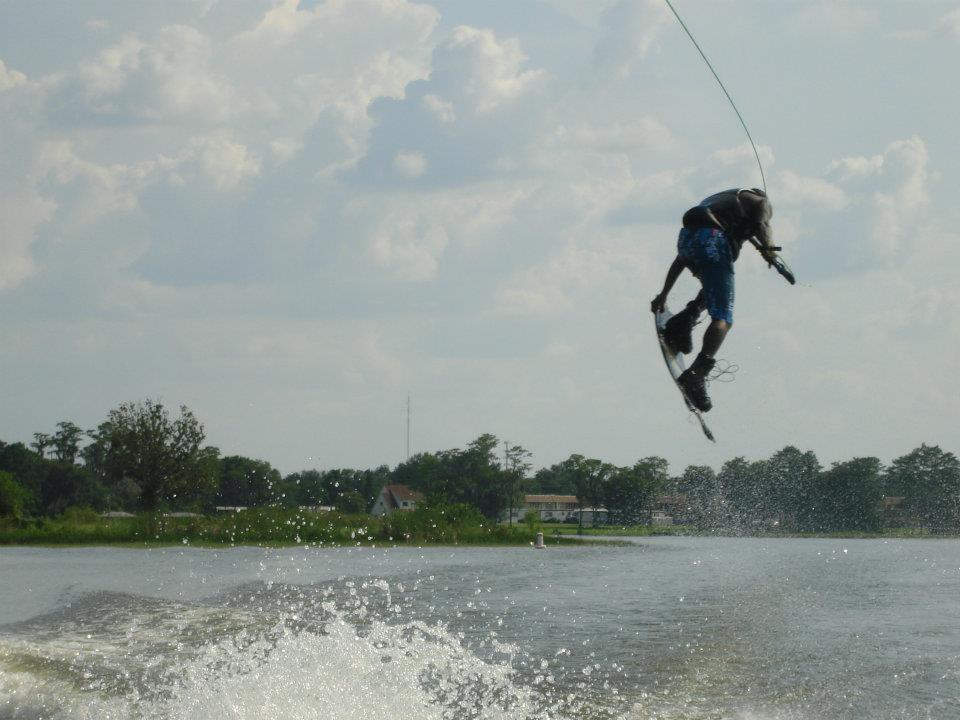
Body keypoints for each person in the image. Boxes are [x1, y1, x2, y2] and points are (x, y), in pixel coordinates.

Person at [650, 188, 777, 413]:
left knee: (713, 291)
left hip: (687, 239)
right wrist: (769, 249)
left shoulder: (721, 205)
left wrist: (664, 293)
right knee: (723, 318)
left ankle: (682, 323)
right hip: (712, 244)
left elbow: (681, 259)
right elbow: (763, 225)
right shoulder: (761, 202)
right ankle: (696, 375)